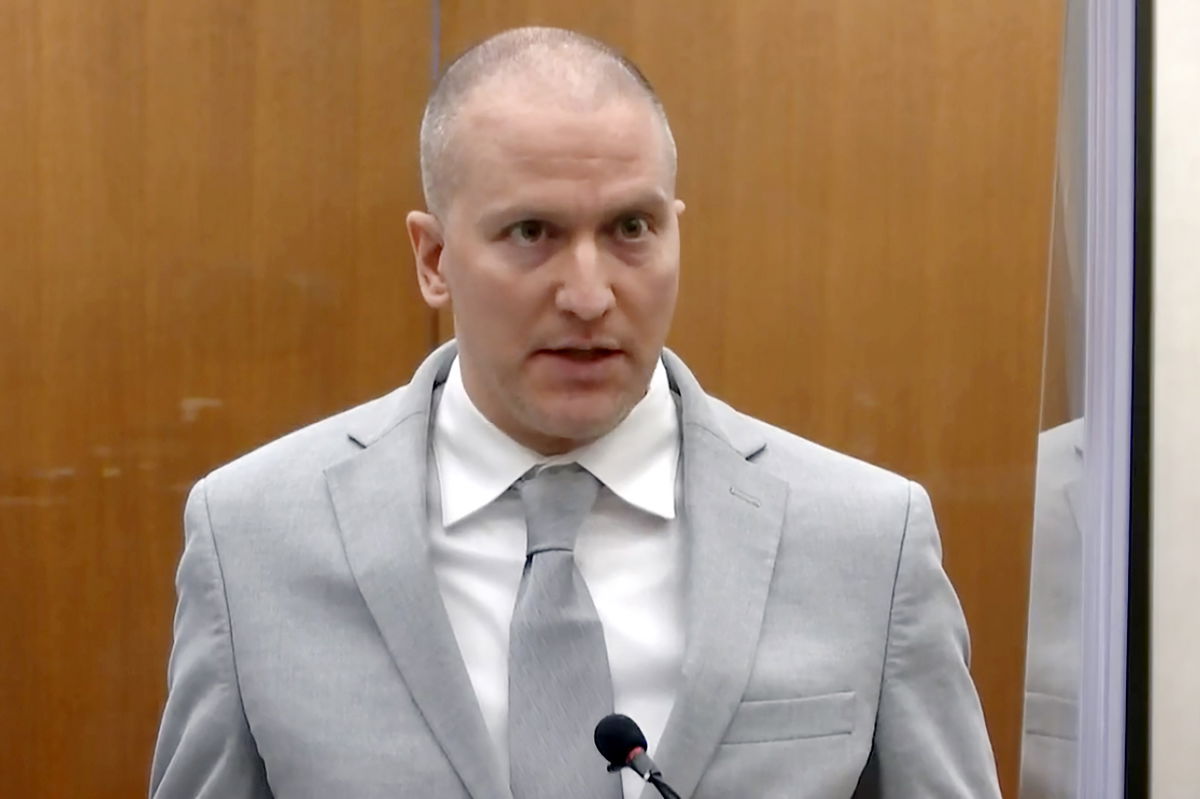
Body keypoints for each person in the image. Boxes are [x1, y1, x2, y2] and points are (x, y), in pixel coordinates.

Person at [150, 26, 1001, 799]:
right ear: (435, 258)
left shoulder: (867, 539)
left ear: (676, 234)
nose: (590, 295)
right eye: (531, 232)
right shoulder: (251, 538)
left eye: (631, 227)